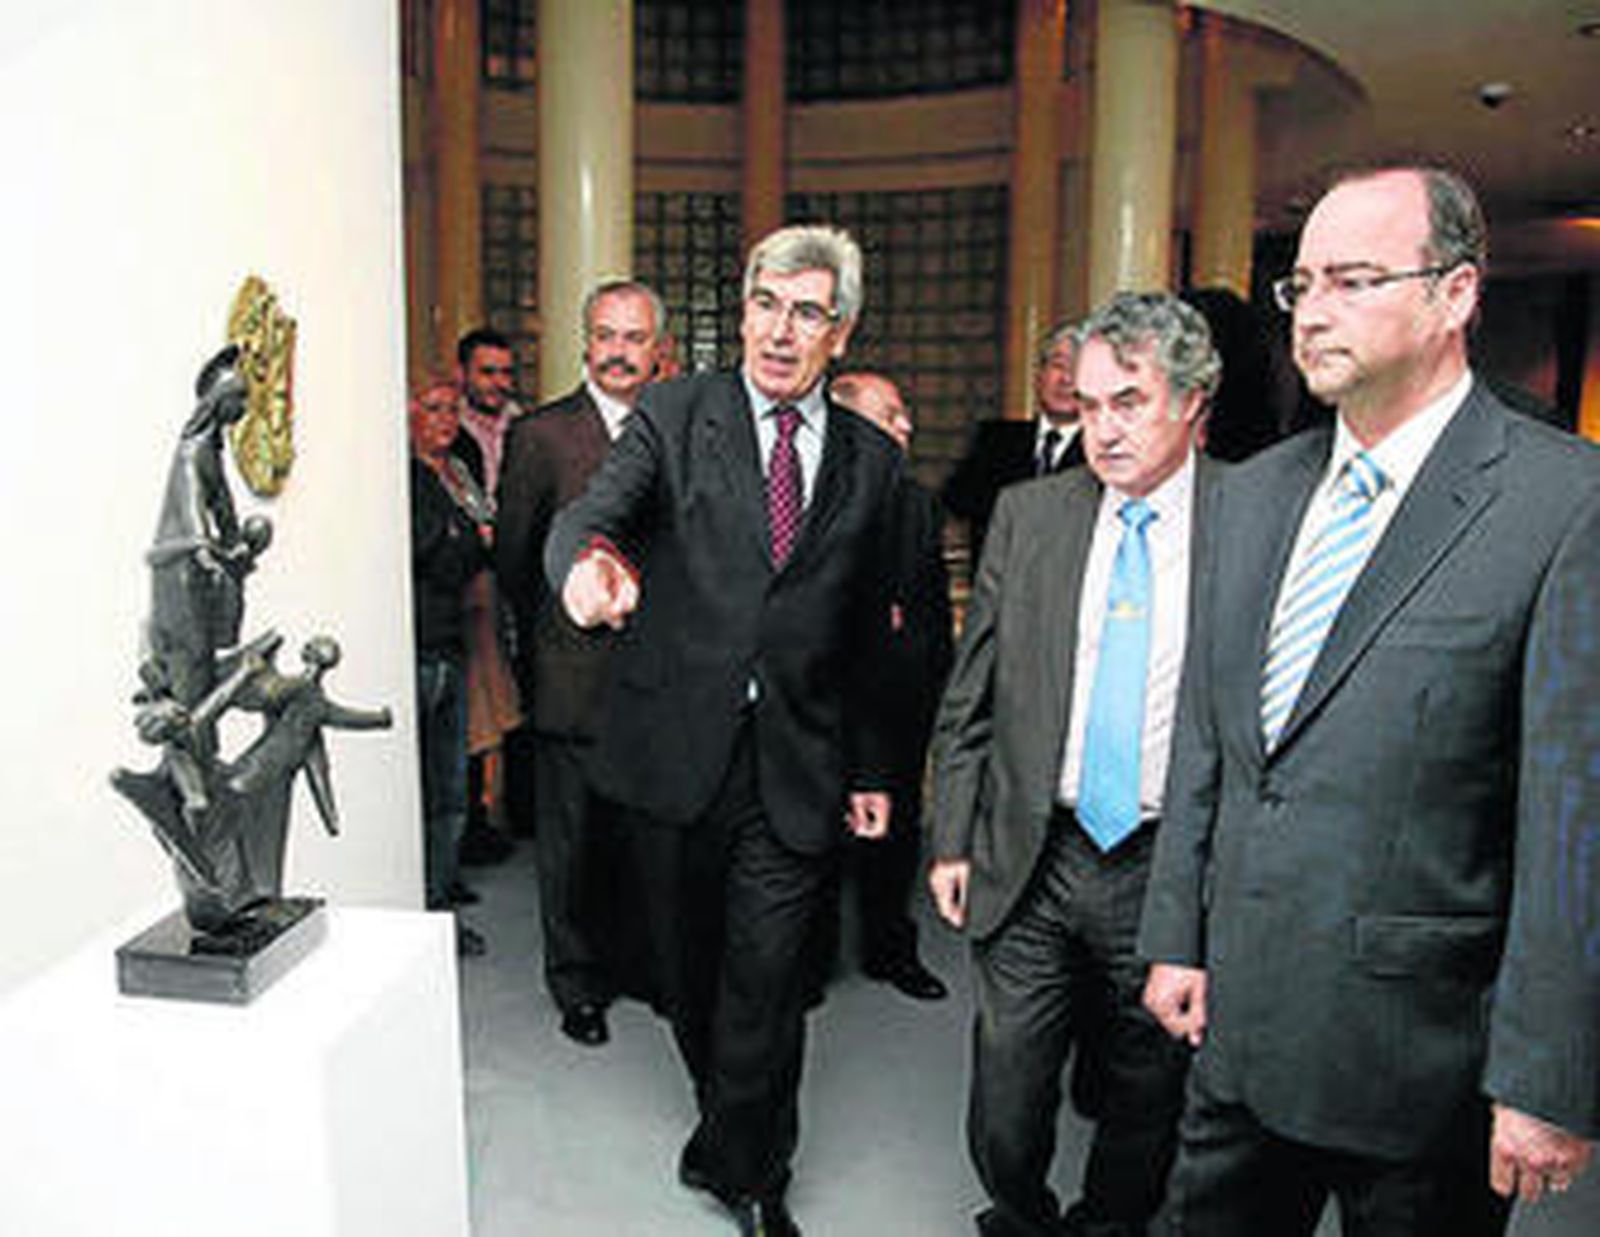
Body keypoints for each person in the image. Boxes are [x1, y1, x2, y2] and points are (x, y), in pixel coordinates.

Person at [1140, 165, 1600, 1236]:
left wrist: (1547, 1075)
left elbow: (1574, 819)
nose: (1315, 313)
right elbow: (1213, 737)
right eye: (1302, 286)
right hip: (1239, 1026)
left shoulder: (1562, 503)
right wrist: (1178, 931)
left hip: (1423, 1059)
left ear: (1455, 295)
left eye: (1353, 279)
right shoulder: (1253, 492)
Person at [545, 224, 902, 1237]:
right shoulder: (673, 412)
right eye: (764, 305)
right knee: (689, 979)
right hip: (675, 751)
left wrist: (874, 765)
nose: (779, 333)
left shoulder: (872, 464)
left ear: (840, 330)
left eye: (805, 313)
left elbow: (870, 634)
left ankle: (754, 1173)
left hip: (796, 761)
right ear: (741, 309)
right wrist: (583, 570)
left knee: (769, 979)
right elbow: (593, 512)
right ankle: (723, 1126)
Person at [930, 293, 1220, 1237]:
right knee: (1008, 1080)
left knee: (1146, 1086)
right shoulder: (1030, 512)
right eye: (1089, 405)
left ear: (1193, 401)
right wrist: (953, 836)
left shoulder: (1251, 519)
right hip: (1035, 849)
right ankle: (1019, 1212)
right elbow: (971, 692)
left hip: (1165, 863)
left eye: (1128, 401)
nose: (1104, 428)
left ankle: (1109, 1225)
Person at [497, 278, 665, 1047]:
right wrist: (538, 657)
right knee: (569, 841)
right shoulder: (540, 435)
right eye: (606, 335)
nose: (619, 351)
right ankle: (577, 982)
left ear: (657, 348)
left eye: (634, 337)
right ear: (584, 341)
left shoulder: (678, 426)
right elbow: (515, 559)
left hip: (660, 677)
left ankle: (638, 964)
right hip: (572, 675)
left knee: (643, 835)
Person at [823, 370, 953, 1001]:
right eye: (893, 415)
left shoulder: (917, 502)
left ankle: (889, 950)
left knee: (895, 835)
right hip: (821, 699)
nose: (908, 427)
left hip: (898, 698)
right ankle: (808, 963)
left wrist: (937, 691)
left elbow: (927, 612)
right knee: (812, 834)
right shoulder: (808, 497)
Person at [408, 377, 493, 957]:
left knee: (451, 788)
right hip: (414, 646)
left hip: (455, 639)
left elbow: (482, 540)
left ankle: (440, 897)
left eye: (451, 409)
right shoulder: (404, 477)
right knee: (417, 789)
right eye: (433, 409)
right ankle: (421, 907)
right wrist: (467, 538)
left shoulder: (460, 470)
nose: (446, 420)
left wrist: (465, 540)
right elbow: (431, 554)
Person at [453, 326, 526, 867]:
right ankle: (473, 820)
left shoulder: (524, 425)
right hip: (471, 584)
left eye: (505, 372)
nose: (498, 383)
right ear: (464, 374)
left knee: (519, 687)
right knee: (479, 695)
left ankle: (518, 809)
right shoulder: (447, 430)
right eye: (487, 372)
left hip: (518, 572)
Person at [942, 322, 1085, 562]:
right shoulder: (996, 441)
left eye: (1078, 370)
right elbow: (956, 504)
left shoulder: (1102, 452)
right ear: (1039, 375)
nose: (1066, 379)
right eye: (1058, 366)